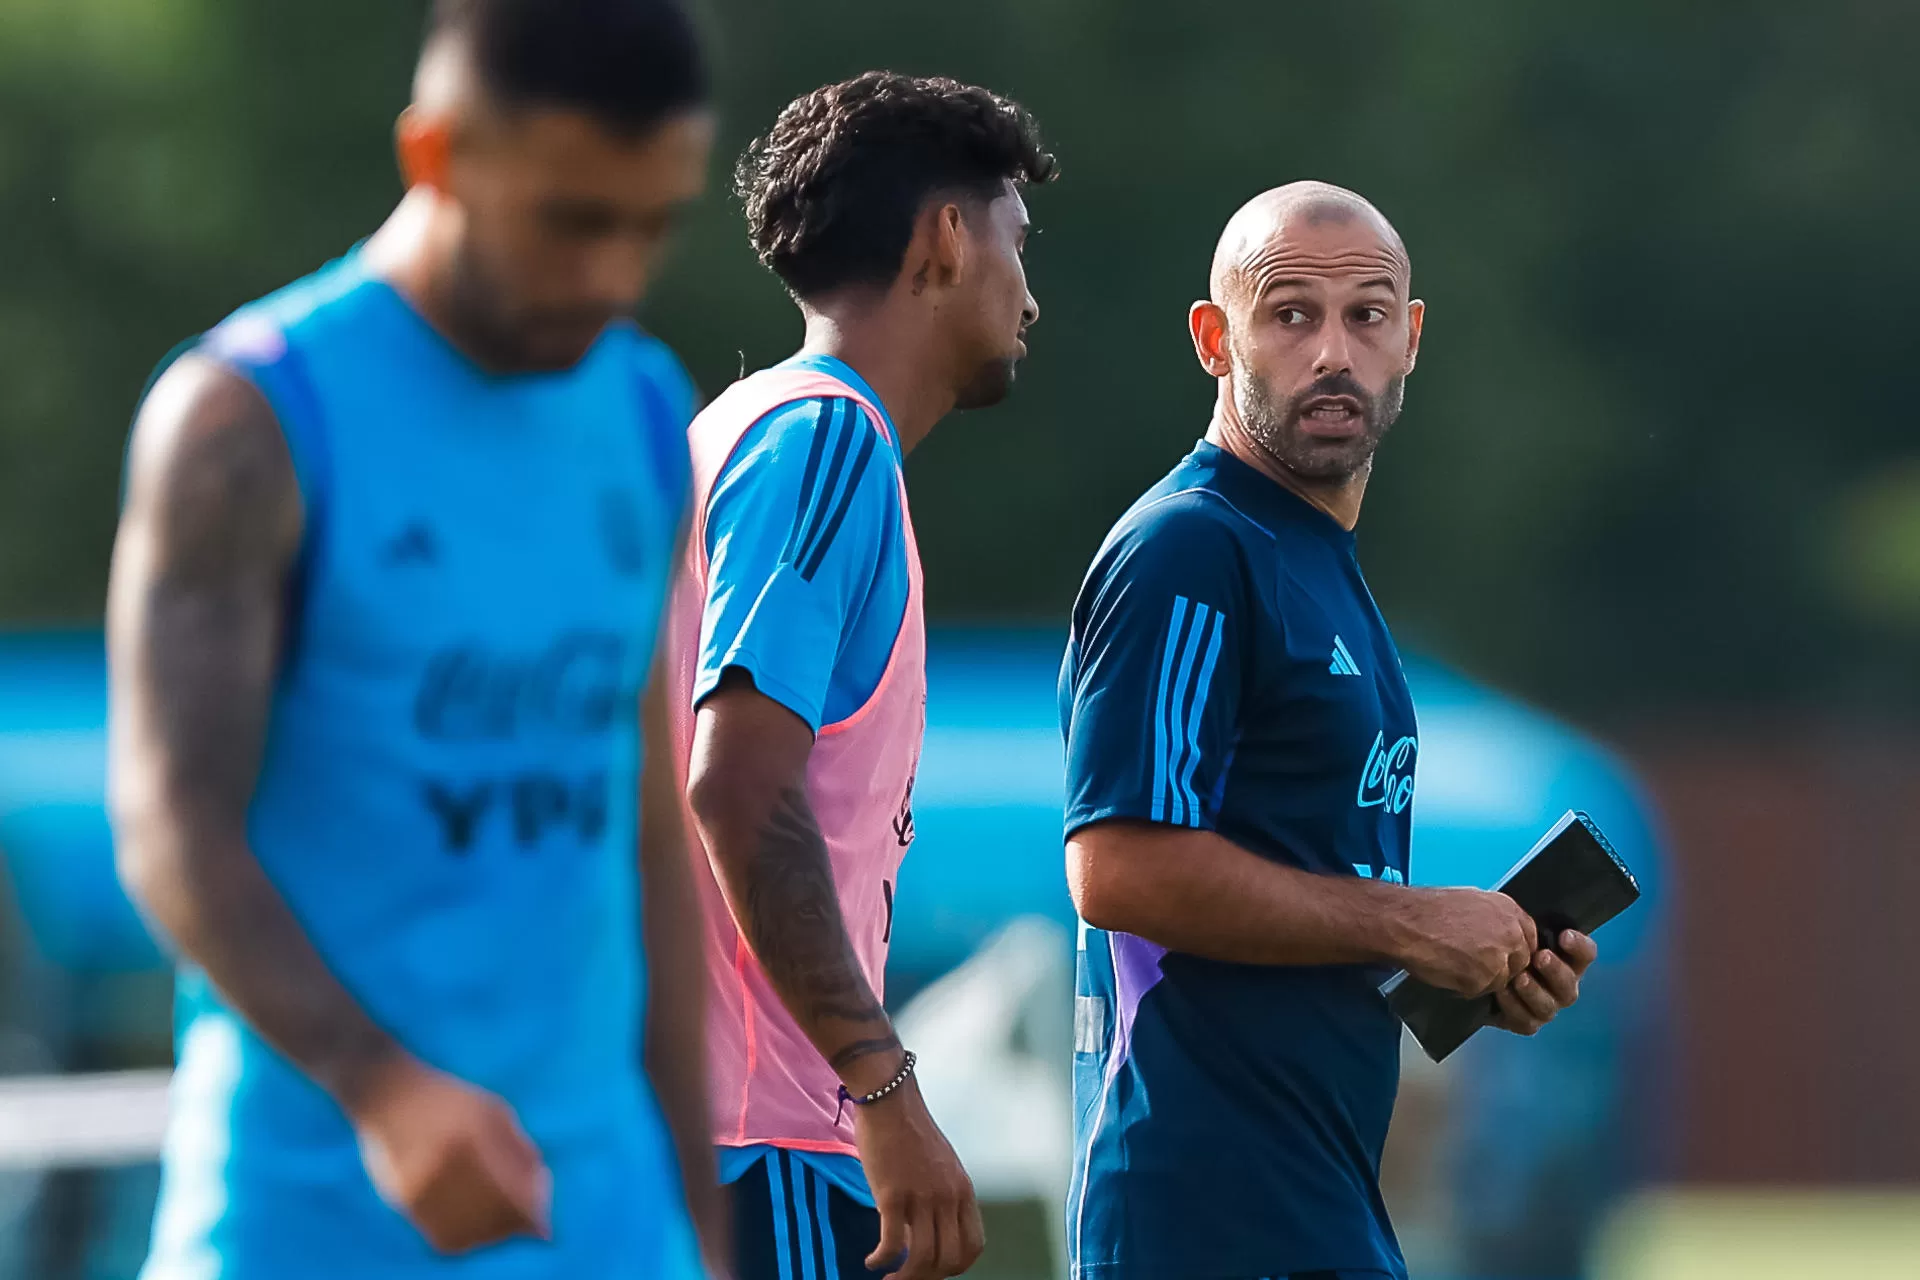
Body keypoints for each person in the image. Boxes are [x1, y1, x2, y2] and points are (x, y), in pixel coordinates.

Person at [106, 1, 722, 1275]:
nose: (613, 273)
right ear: (438, 156)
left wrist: (699, 1223)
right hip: (311, 1217)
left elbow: (646, 822)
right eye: (572, 221)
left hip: (605, 1224)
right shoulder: (246, 420)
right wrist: (379, 1084)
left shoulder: (648, 408)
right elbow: (169, 823)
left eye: (650, 224)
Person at [1057, 182, 1600, 1280]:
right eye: (1291, 313)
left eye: (1367, 314)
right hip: (1207, 1211)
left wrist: (1469, 969)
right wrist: (1410, 922)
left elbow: (1303, 887)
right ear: (1217, 339)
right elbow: (1116, 867)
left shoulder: (1317, 561)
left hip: (1320, 1194)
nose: (1334, 351)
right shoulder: (1191, 548)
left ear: (1411, 337)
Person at [668, 72, 1053, 1280]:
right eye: (1015, 242)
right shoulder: (825, 438)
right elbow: (735, 788)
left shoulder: (741, 425)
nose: (1029, 296)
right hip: (760, 1150)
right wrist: (882, 1082)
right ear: (947, 237)